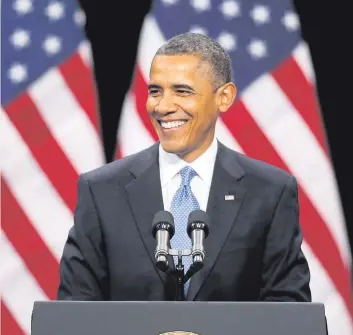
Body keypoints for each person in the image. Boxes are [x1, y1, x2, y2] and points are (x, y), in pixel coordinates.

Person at [57, 33, 311, 302]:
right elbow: (75, 309)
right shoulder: (102, 191)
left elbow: (287, 310)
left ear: (224, 97)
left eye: (182, 91)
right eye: (155, 91)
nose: (163, 106)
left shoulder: (269, 192)